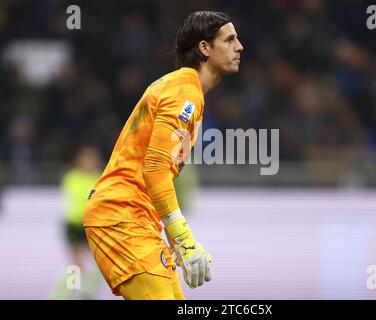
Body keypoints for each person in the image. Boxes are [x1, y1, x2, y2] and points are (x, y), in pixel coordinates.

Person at [83, 11, 243, 300]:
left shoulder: (183, 89)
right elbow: (155, 168)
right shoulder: (185, 92)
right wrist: (183, 237)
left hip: (136, 215)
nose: (239, 46)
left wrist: (174, 238)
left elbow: (158, 172)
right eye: (230, 39)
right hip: (122, 214)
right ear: (205, 48)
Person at [51, 145, 104, 299]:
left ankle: (87, 293)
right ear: (79, 160)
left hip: (92, 225)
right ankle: (62, 295)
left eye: (92, 158)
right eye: (86, 158)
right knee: (76, 265)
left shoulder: (99, 177)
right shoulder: (72, 177)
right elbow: (80, 200)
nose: (89, 162)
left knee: (102, 262)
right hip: (75, 225)